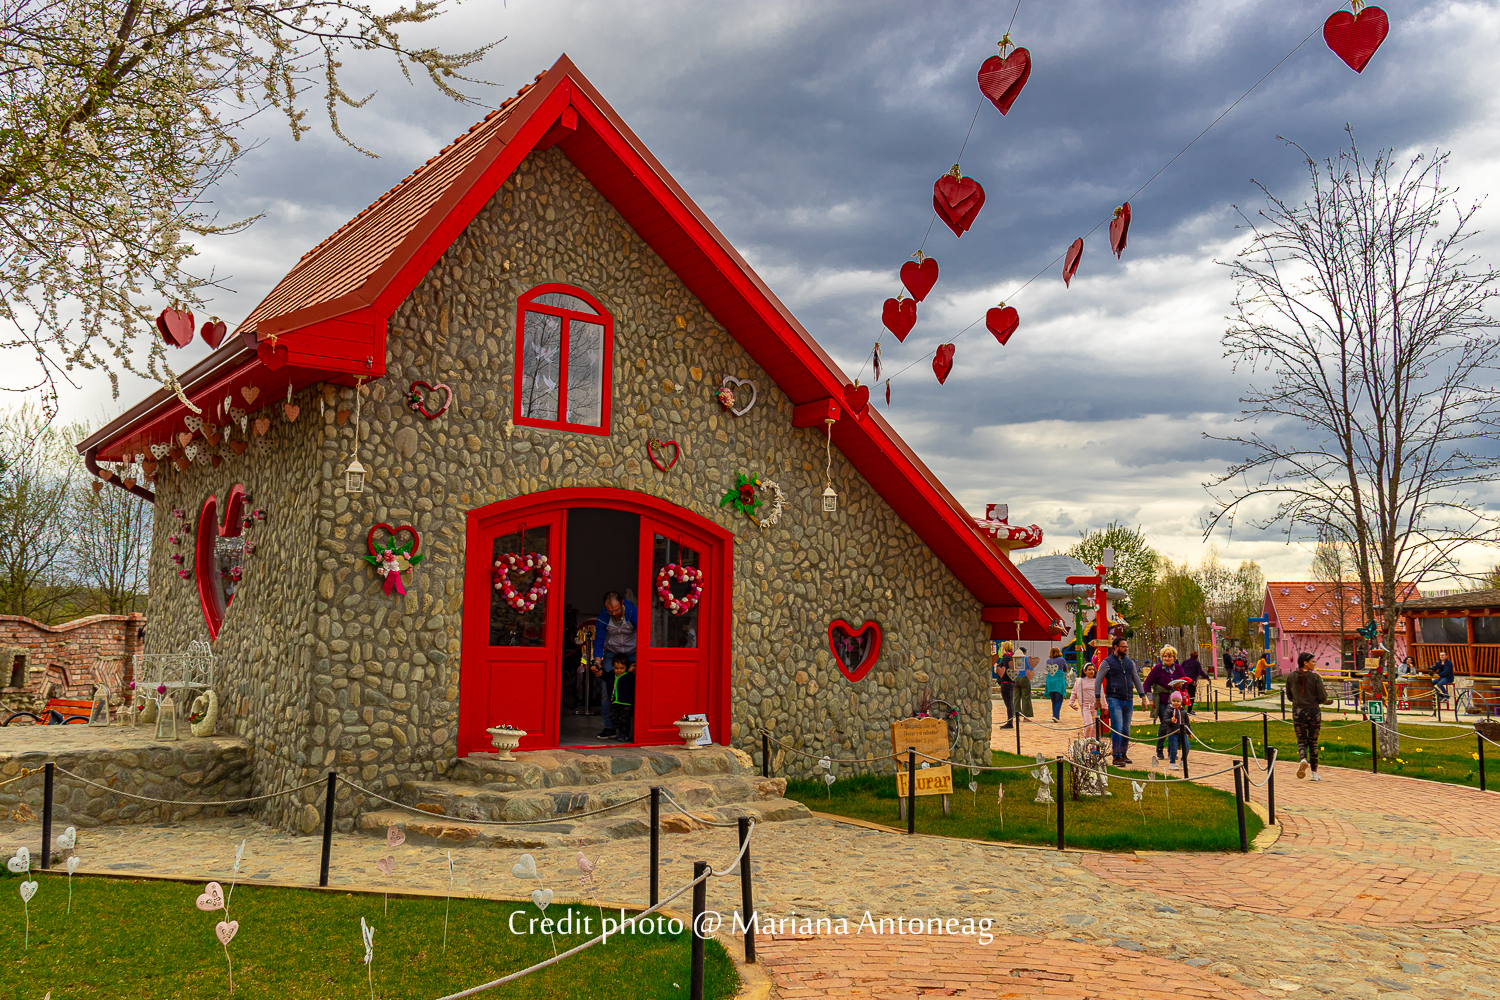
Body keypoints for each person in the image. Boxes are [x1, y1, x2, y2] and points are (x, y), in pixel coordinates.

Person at [589, 591, 637, 739]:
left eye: (616, 610)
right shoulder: (603, 616)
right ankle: (609, 727)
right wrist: (597, 662)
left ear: (622, 603)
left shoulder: (633, 612)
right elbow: (599, 641)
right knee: (607, 690)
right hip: (612, 653)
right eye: (610, 611)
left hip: (634, 652)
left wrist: (640, 660)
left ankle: (632, 727)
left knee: (635, 688)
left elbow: (646, 635)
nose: (614, 614)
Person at [1094, 637, 1145, 766]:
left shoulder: (1129, 662)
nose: (1126, 649)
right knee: (1117, 727)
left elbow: (1136, 679)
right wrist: (1097, 698)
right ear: (1116, 647)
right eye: (1123, 646)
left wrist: (1143, 697)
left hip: (1128, 698)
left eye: (1126, 646)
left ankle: (1123, 752)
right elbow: (1098, 680)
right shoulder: (1107, 662)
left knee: (1126, 729)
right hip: (1114, 698)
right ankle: (1116, 756)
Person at [1288, 651, 1330, 779]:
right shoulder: (1315, 677)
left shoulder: (1291, 677)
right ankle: (1314, 772)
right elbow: (1323, 697)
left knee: (1301, 740)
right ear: (1305, 663)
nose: (1315, 664)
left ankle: (1303, 759)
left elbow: (1289, 696)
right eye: (1313, 661)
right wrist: (1316, 700)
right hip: (1313, 711)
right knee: (1313, 741)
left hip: (1298, 711)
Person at [1144, 645, 1190, 761]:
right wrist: (1150, 699)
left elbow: (1185, 683)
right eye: (1165, 656)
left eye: (1169, 656)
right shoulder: (1157, 669)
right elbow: (1147, 684)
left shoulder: (1178, 668)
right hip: (1162, 700)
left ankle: (1172, 750)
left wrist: (1180, 685)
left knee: (1175, 725)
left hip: (1175, 701)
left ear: (1174, 657)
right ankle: (1159, 748)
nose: (1167, 659)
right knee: (1165, 724)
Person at [1069, 660, 1102, 740]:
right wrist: (1071, 702)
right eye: (1089, 669)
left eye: (1093, 669)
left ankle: (1094, 744)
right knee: (1089, 725)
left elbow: (1102, 694)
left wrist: (1105, 706)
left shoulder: (1097, 681)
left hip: (1096, 707)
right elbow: (1074, 692)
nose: (1092, 671)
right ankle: (1086, 741)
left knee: (1095, 727)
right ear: (1085, 671)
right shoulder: (1080, 681)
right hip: (1086, 707)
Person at [1159, 691, 1191, 770]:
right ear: (1171, 701)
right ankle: (1172, 763)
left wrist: (1189, 732)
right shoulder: (1169, 710)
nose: (1176, 703)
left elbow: (1187, 722)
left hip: (1182, 732)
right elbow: (1165, 720)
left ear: (1181, 701)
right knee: (1174, 748)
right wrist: (1170, 720)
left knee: (1187, 747)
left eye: (1178, 701)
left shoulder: (1183, 711)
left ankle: (1183, 761)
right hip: (1173, 732)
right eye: (1174, 701)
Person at [608, 655, 636, 742]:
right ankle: (621, 729)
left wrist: (634, 668)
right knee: (613, 718)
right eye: (616, 668)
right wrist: (597, 669)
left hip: (626, 703)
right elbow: (603, 675)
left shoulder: (629, 676)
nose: (619, 670)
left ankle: (624, 734)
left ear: (626, 667)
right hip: (615, 702)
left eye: (621, 668)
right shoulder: (612, 675)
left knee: (625, 720)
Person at [1044, 648, 1069, 722]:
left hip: (1050, 682)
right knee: (1059, 700)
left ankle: (1055, 716)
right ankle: (1055, 716)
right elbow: (1065, 669)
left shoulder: (1048, 660)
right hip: (1058, 682)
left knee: (1053, 700)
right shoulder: (1062, 659)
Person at [995, 643, 1016, 729]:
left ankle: (1010, 723)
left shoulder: (1006, 658)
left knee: (1009, 703)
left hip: (1006, 682)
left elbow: (1005, 670)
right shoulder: (1013, 657)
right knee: (1010, 703)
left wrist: (997, 668)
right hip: (1011, 682)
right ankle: (1010, 721)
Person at [1015, 647, 1035, 720]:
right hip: (1024, 678)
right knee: (1026, 697)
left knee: (1016, 697)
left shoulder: (1015, 659)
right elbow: (1031, 668)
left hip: (1016, 678)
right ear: (1024, 653)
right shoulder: (1026, 659)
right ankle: (1026, 716)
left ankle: (1016, 715)